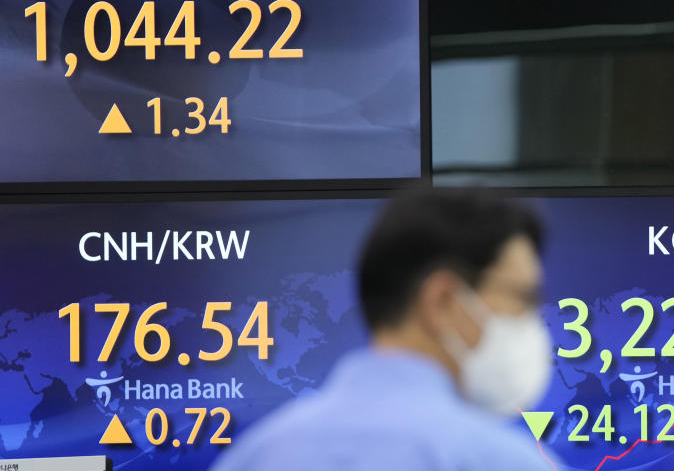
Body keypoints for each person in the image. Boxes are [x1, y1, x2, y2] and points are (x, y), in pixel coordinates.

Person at [212, 188, 557, 470]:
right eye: (522, 296)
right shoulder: (504, 462)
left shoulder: (253, 457)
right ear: (444, 302)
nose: (532, 318)